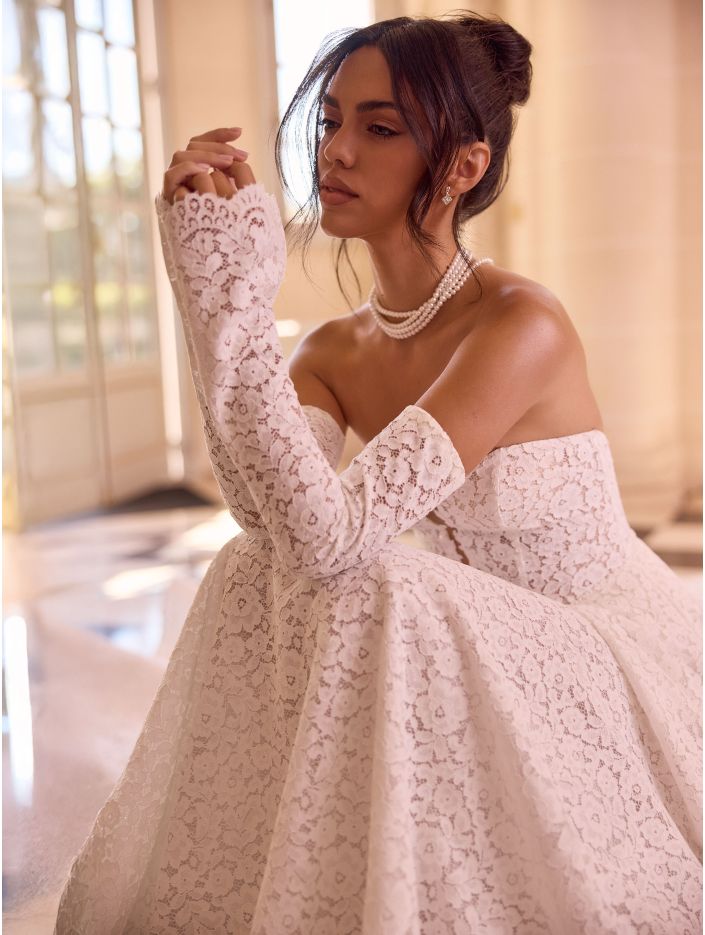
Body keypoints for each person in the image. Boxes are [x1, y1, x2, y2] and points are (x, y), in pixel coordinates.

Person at [54, 12, 701, 934]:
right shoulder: (334, 349)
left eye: (380, 127)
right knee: (250, 568)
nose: (337, 150)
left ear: (463, 166)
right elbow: (266, 518)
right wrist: (211, 297)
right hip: (472, 639)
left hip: (588, 639)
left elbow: (334, 540)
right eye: (329, 121)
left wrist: (239, 304)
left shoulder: (520, 325)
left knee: (373, 580)